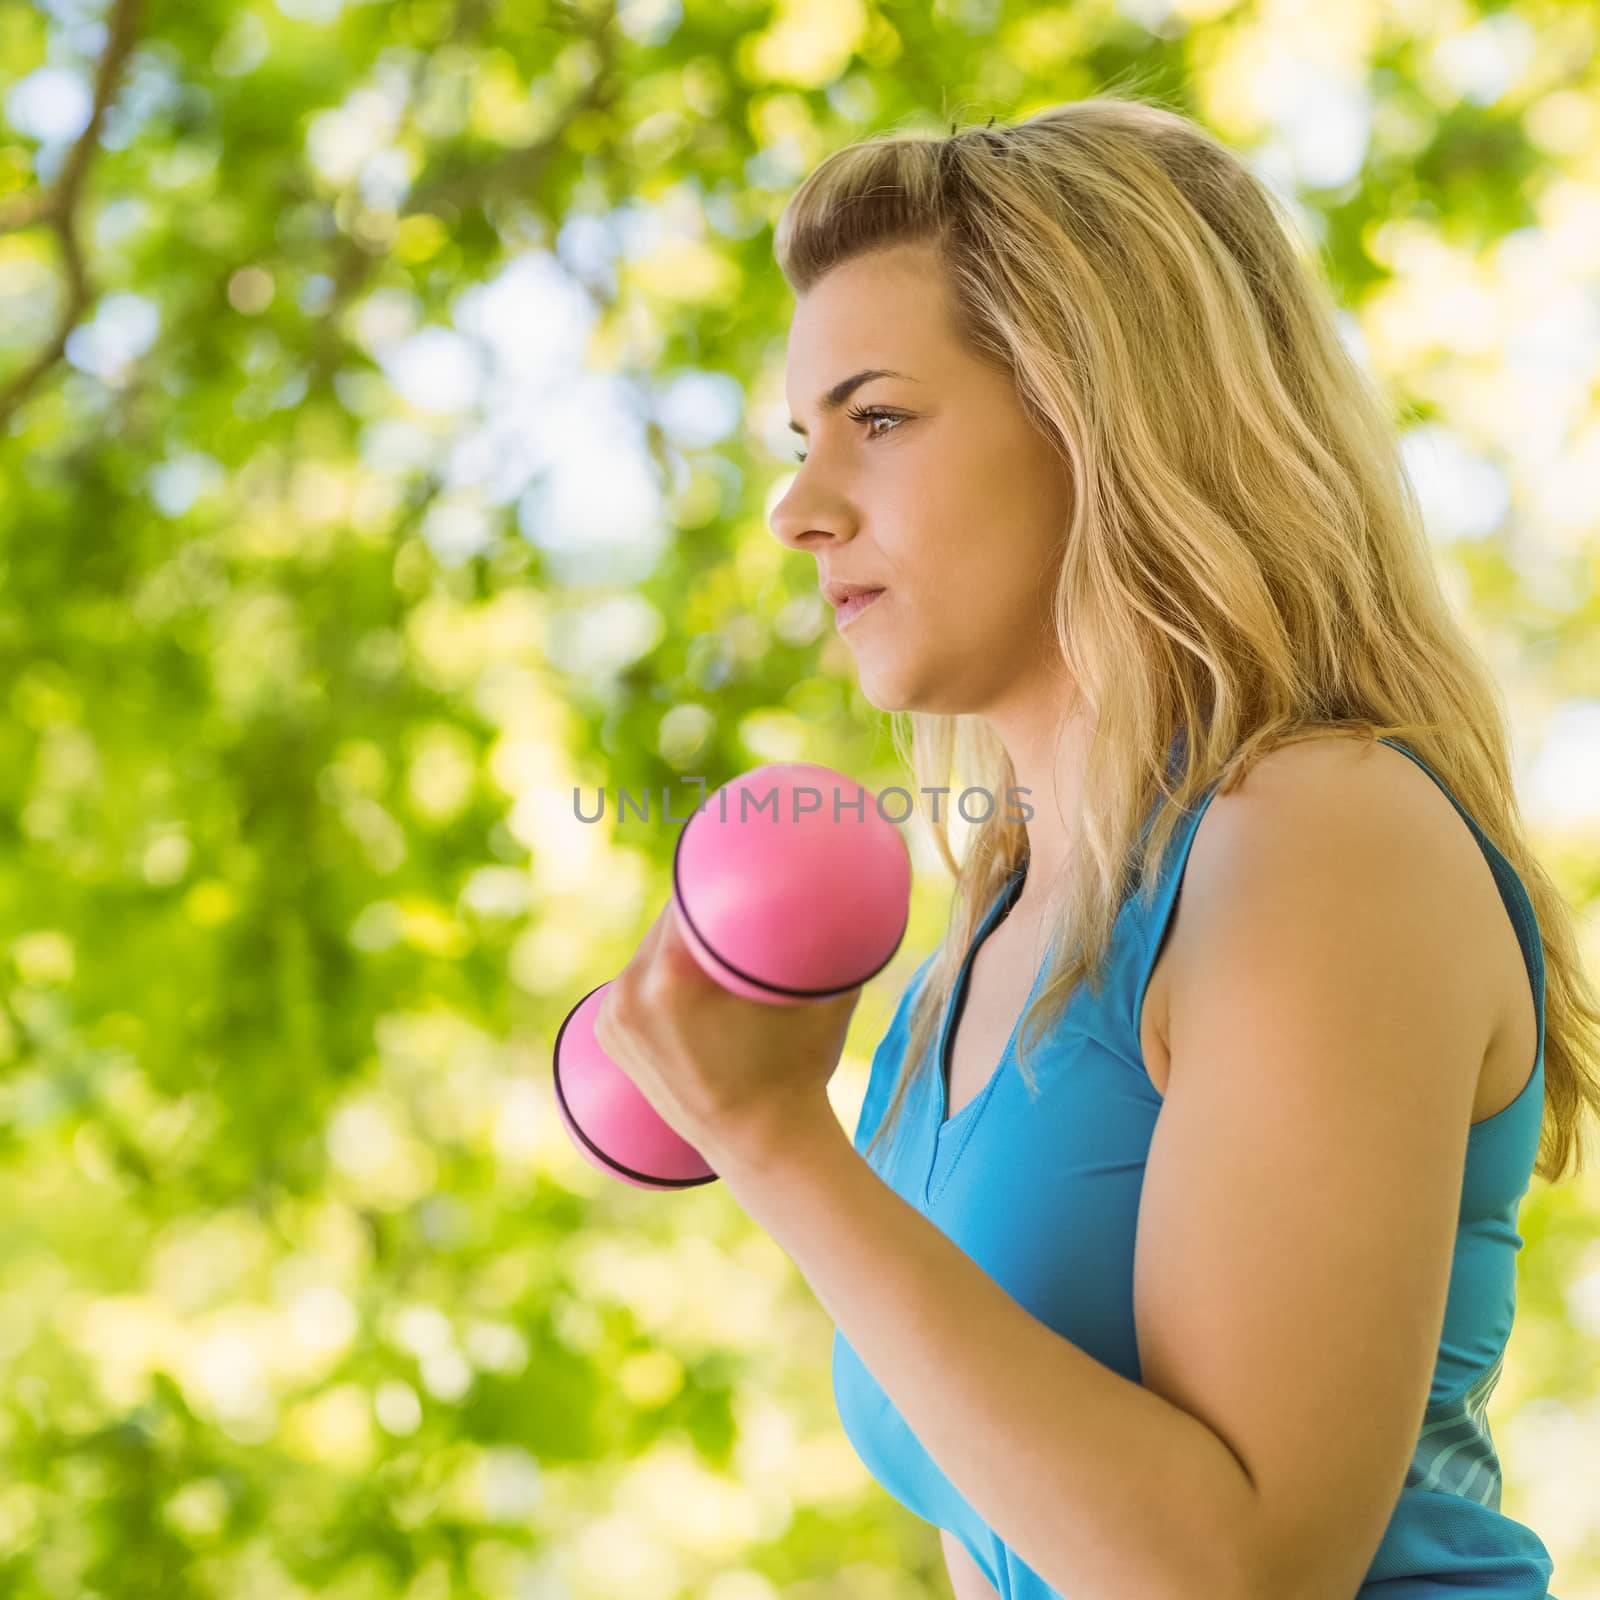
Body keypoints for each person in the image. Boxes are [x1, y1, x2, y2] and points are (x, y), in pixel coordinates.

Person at [766, 94, 1600, 1599]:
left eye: (877, 419)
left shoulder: (1326, 836)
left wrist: (771, 1142)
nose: (798, 508)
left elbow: (1241, 1575)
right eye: (800, 438)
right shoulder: (974, 954)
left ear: (1101, 412)